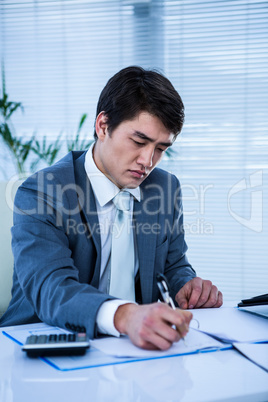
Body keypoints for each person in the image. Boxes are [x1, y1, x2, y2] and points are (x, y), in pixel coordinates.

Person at [0, 66, 222, 350]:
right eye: (139, 141)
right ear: (103, 126)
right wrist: (124, 315)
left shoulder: (165, 188)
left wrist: (188, 288)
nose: (148, 160)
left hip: (133, 348)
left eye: (161, 148)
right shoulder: (44, 191)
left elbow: (173, 265)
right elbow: (51, 288)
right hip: (44, 342)